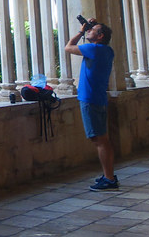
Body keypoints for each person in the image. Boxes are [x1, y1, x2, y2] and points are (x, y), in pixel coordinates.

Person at [65, 17, 117, 191]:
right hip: (99, 98)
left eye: (92, 30)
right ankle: (109, 175)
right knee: (103, 140)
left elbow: (68, 47)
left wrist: (80, 31)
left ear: (100, 36)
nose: (88, 31)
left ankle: (109, 179)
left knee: (100, 141)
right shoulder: (107, 51)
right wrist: (93, 27)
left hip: (90, 99)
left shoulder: (93, 49)